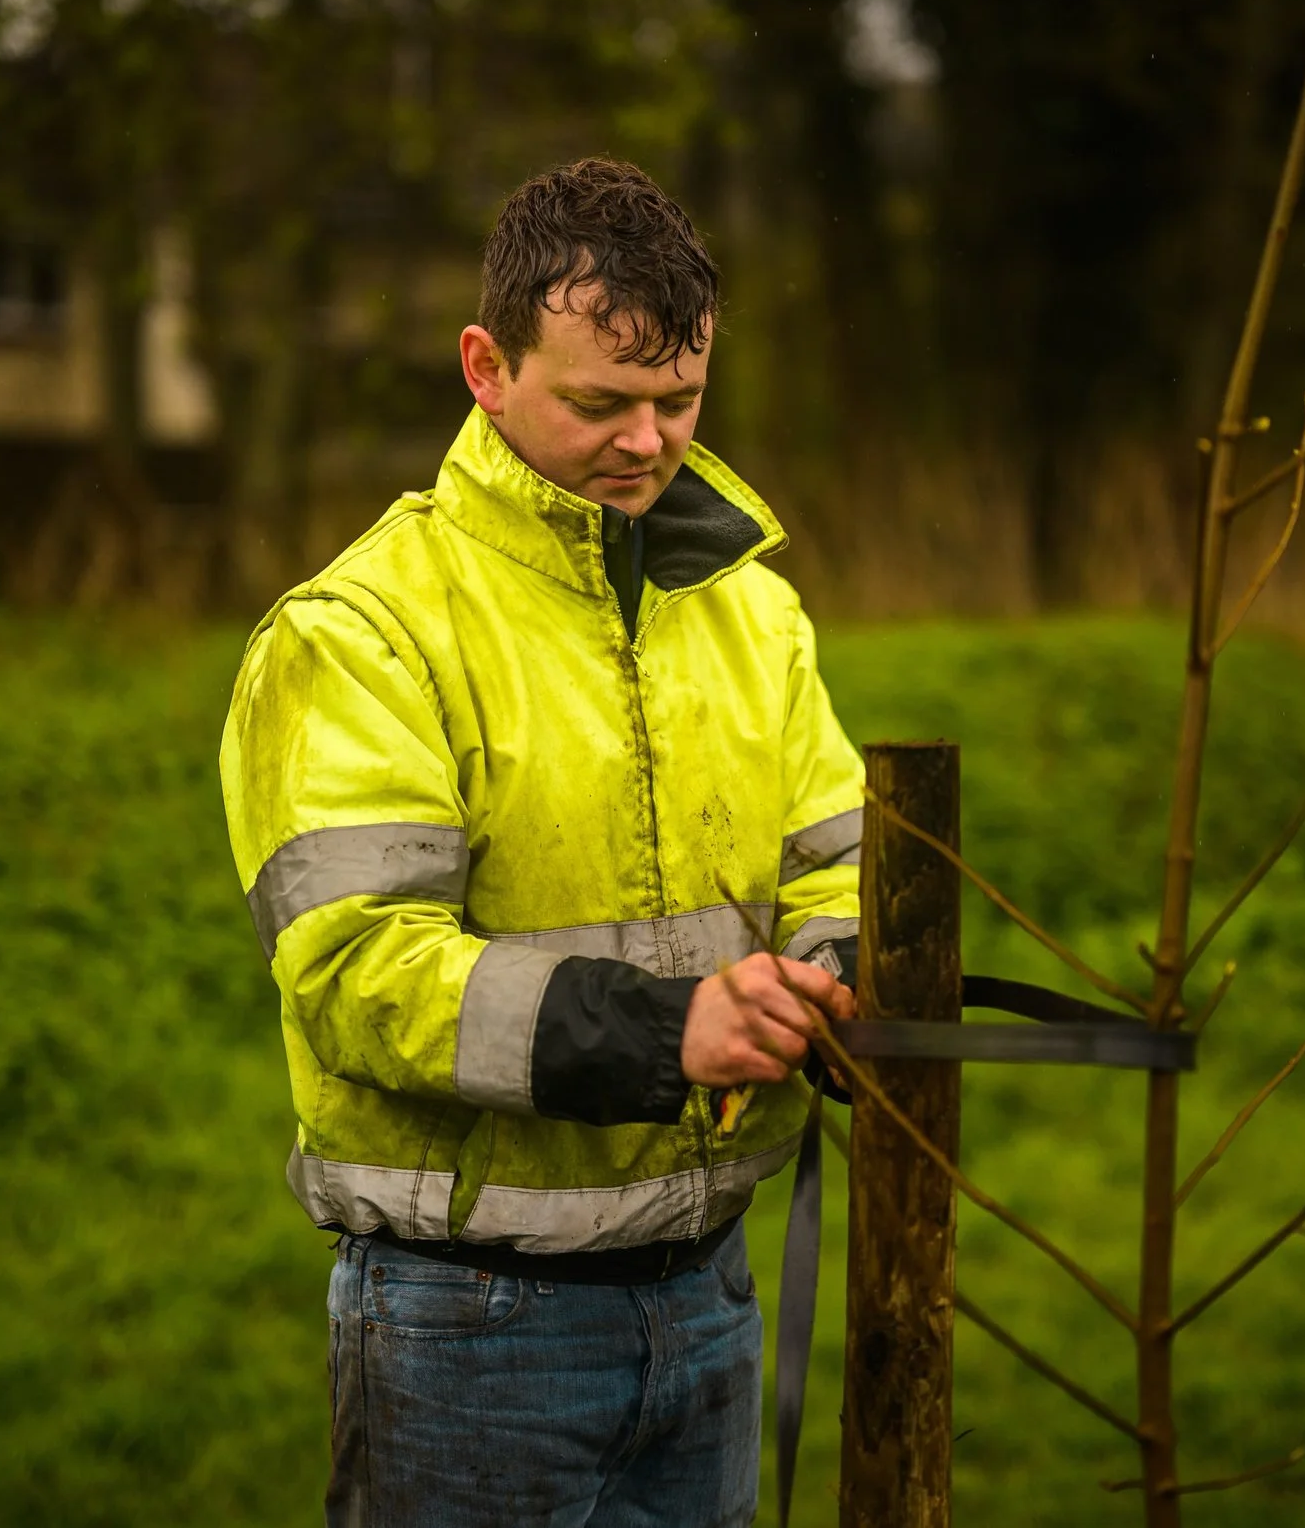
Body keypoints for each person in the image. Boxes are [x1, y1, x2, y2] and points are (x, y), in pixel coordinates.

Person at [219, 155, 863, 1526]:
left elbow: (836, 857)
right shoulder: (363, 631)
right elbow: (355, 971)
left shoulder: (757, 612)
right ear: (484, 366)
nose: (648, 441)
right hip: (471, 1327)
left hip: (711, 1299)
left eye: (679, 401)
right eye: (600, 402)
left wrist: (835, 969)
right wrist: (666, 1029)